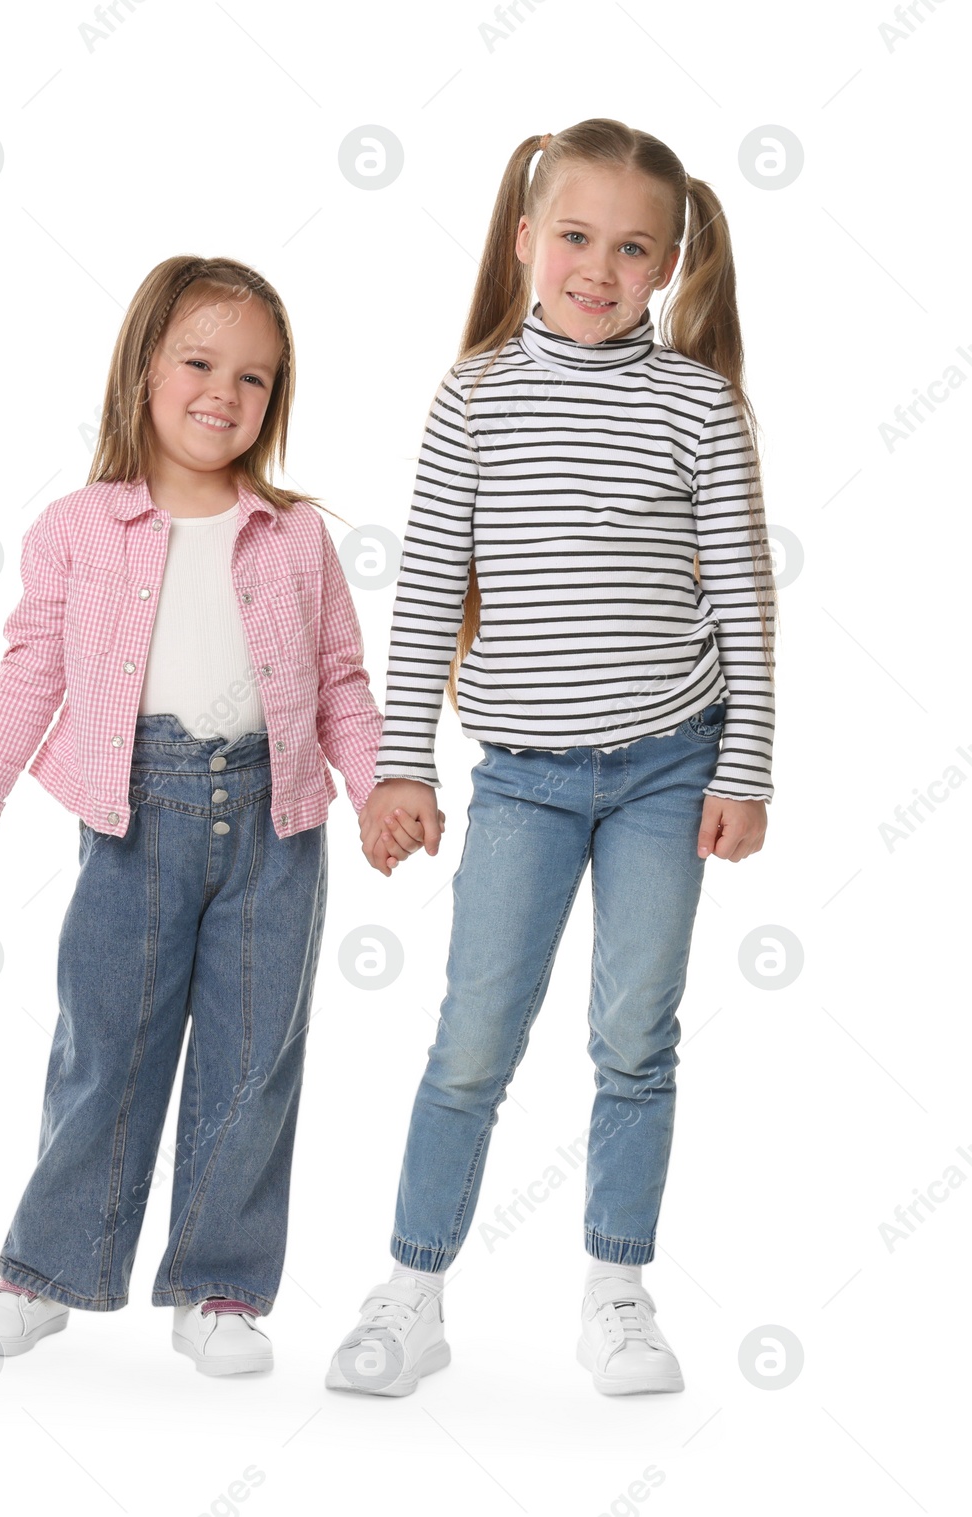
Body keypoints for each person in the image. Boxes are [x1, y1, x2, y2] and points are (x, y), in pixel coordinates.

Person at [329, 118, 777, 1398]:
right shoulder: (474, 394)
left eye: (632, 247)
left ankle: (616, 1289)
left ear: (671, 265)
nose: (598, 266)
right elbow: (425, 589)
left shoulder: (697, 402)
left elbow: (742, 598)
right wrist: (398, 765)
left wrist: (743, 765)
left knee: (634, 1034)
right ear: (527, 240)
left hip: (666, 767)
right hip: (520, 772)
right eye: (574, 236)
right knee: (471, 1038)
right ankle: (411, 1292)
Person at [0, 256, 383, 1375]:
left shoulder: (295, 534)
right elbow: (33, 671)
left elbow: (339, 683)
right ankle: (45, 1270)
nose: (225, 391)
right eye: (200, 362)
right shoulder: (79, 525)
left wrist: (383, 787)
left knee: (253, 1053)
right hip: (137, 815)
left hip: (276, 820)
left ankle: (220, 1286)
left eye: (255, 378)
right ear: (142, 371)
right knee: (104, 1050)